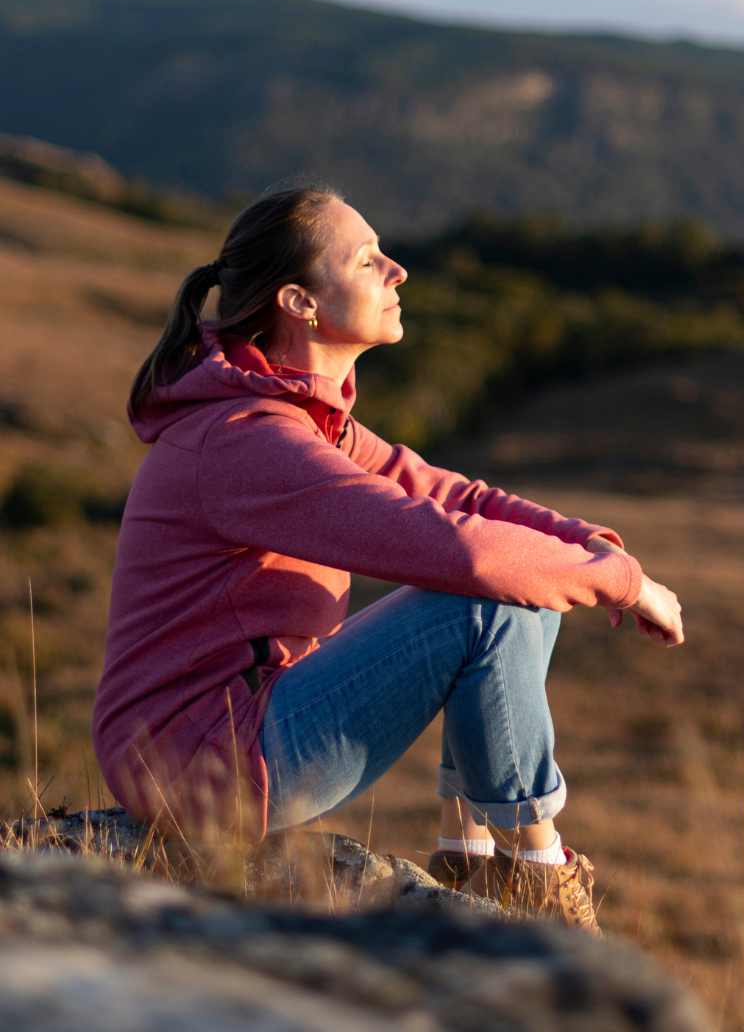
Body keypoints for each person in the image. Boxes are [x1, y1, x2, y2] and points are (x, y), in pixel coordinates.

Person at [92, 184, 684, 934]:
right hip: (205, 768)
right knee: (485, 593)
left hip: (242, 736)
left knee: (529, 575)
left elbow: (459, 499)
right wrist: (623, 587)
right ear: (300, 303)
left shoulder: (304, 422)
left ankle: (467, 851)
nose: (398, 270)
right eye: (369, 260)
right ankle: (540, 872)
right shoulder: (246, 441)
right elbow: (460, 552)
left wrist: (591, 548)